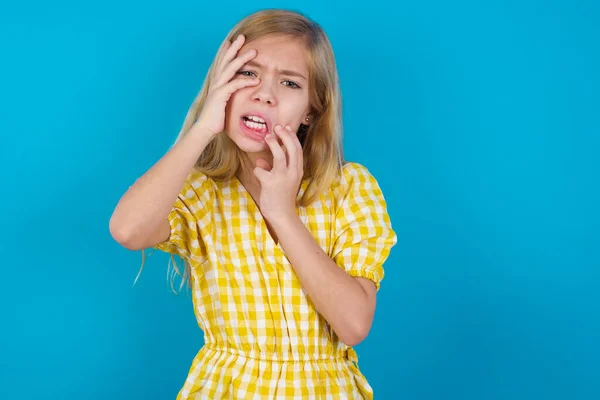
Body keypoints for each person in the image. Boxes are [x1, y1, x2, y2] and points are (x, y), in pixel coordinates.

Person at [109, 8, 397, 399]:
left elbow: (354, 325)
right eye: (248, 73)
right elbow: (127, 230)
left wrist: (283, 213)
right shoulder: (201, 191)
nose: (265, 93)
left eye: (290, 83)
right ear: (221, 84)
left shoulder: (349, 187)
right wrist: (204, 126)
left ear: (311, 110)